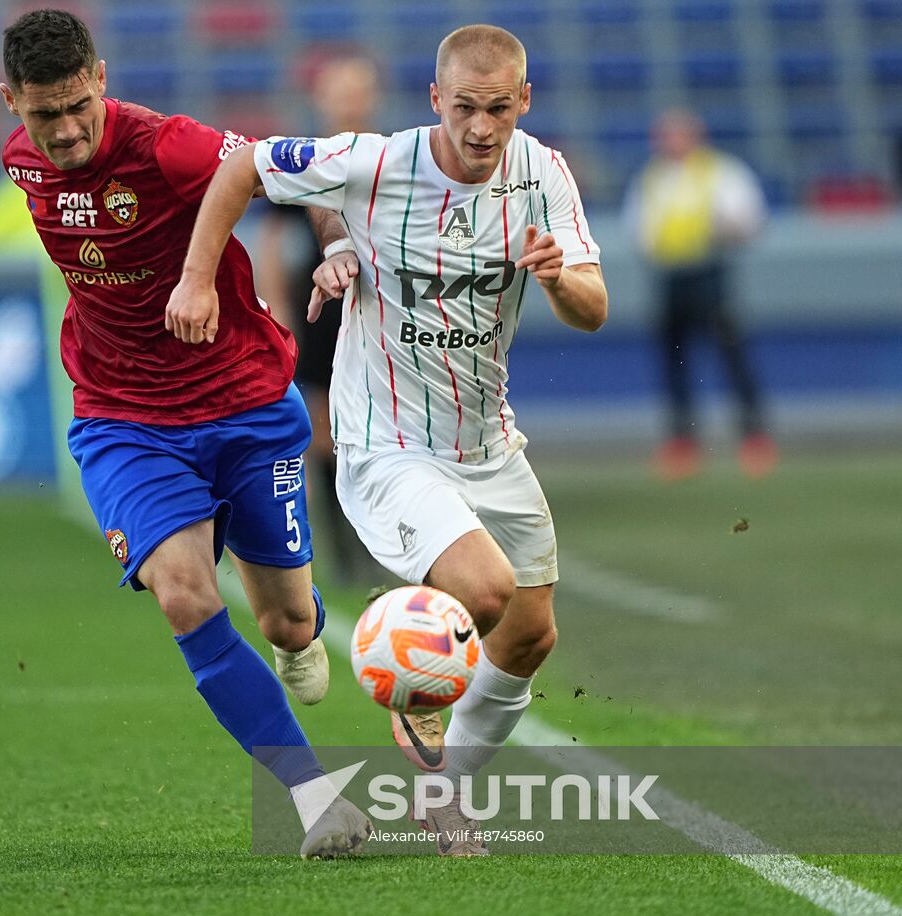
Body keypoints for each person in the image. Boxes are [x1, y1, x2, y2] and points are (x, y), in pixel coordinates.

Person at [168, 24, 608, 856]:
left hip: (489, 441)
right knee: (483, 590)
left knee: (530, 632)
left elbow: (595, 307)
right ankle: (406, 671)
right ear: (437, 100)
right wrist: (199, 279)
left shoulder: (542, 173)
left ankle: (445, 793)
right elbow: (242, 166)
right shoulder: (376, 162)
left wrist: (559, 278)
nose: (482, 128)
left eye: (500, 109)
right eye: (467, 108)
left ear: (524, 102)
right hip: (388, 443)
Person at [0, 9, 369, 857]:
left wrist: (330, 244)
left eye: (76, 107)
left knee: (285, 624)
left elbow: (261, 168)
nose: (63, 131)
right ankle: (314, 797)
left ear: (100, 78)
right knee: (185, 592)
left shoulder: (164, 144)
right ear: (10, 101)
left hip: (241, 402)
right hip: (124, 419)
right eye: (42, 113)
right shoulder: (22, 164)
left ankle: (300, 627)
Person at [253, 54, 383, 587]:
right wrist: (276, 305)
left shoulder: (390, 158)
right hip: (323, 310)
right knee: (324, 434)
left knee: (382, 430)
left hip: (382, 310)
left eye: (357, 91)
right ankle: (345, 551)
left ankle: (385, 538)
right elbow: (273, 238)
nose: (349, 102)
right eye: (339, 92)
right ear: (322, 100)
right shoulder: (308, 161)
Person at [622, 108, 776, 480]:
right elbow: (639, 229)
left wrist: (726, 229)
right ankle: (682, 442)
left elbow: (750, 221)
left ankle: (754, 438)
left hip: (710, 273)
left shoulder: (721, 172)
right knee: (675, 364)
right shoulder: (652, 178)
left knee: (732, 358)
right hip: (671, 278)